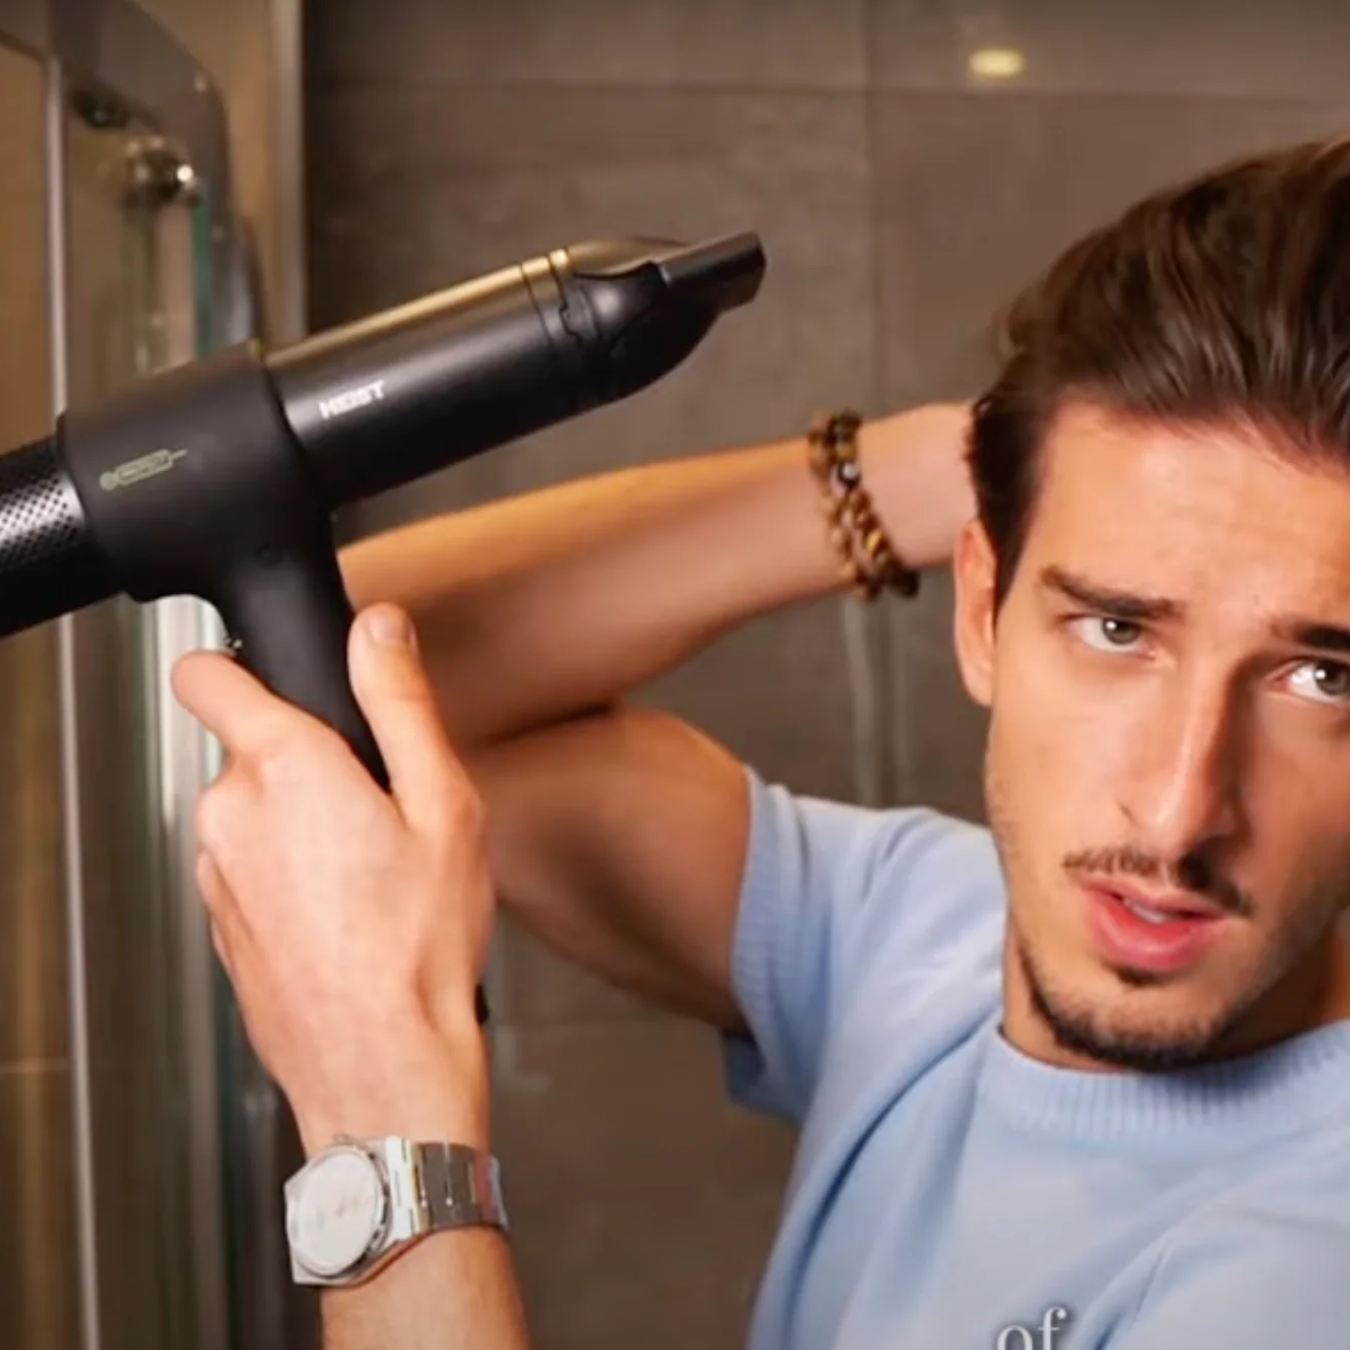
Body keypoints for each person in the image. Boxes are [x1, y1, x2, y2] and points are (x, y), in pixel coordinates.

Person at [174, 134, 1350, 1350]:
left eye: (1323, 676)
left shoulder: (1314, 1266)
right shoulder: (924, 934)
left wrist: (384, 1127)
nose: (1178, 813)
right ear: (982, 610)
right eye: (1115, 626)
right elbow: (353, 667)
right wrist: (915, 479)